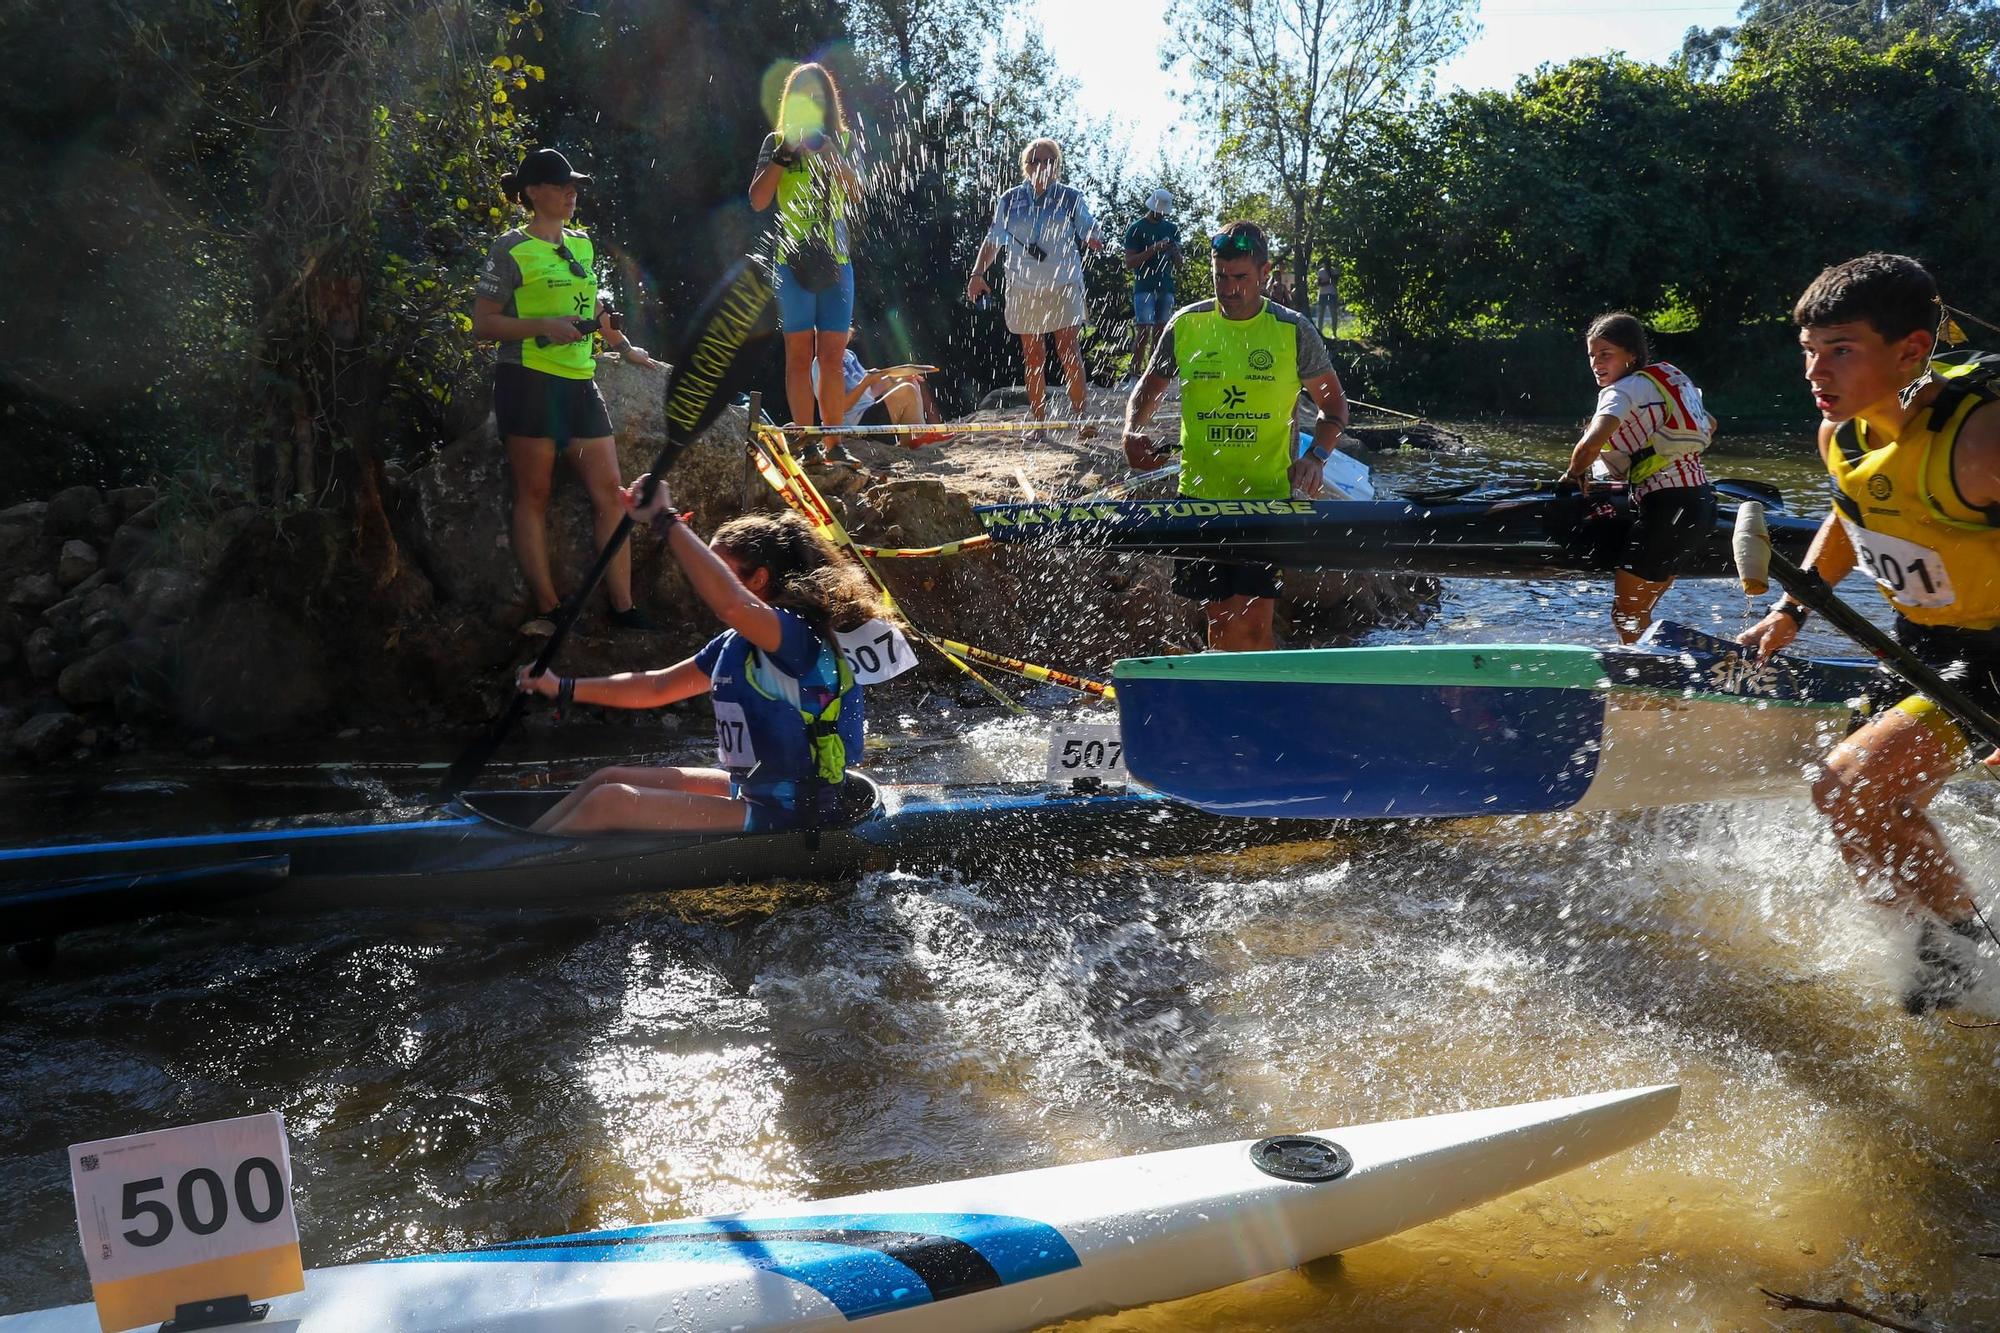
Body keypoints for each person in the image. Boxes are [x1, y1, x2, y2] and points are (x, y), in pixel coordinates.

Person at [1737, 253, 2000, 1014]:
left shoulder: (1983, 441)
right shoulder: (1839, 434)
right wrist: (1795, 607)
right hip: (1922, 641)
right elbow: (1855, 512)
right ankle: (1938, 956)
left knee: (1854, 782)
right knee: (1843, 797)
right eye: (1810, 352)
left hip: (1994, 650)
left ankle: (1965, 954)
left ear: (1912, 351)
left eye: (1841, 350)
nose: (1817, 370)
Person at [518, 485, 896, 835]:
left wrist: (666, 519)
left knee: (610, 801)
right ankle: (523, 843)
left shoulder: (798, 637)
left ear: (759, 579)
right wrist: (561, 687)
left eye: (719, 571)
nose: (703, 584)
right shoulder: (737, 642)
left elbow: (731, 603)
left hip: (797, 811)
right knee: (605, 778)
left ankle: (517, 872)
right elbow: (657, 686)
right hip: (755, 792)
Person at [1121, 221, 1351, 651]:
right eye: (1220, 277)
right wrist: (1133, 430)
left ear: (1264, 273)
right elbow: (1147, 390)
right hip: (1200, 496)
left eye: (1240, 278)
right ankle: (1225, 709)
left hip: (1265, 498)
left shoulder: (1292, 329)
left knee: (1254, 622)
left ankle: (1260, 708)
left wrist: (1316, 456)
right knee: (1220, 620)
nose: (1229, 288)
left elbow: (1335, 406)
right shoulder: (1186, 324)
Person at [472, 147, 661, 636]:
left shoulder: (581, 245)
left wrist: (622, 344)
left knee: (611, 496)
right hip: (529, 383)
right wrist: (542, 325)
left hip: (580, 383)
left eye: (574, 184)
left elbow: (592, 306)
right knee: (533, 495)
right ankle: (551, 608)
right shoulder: (510, 248)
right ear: (534, 192)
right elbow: (482, 322)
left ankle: (622, 607)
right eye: (562, 185)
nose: (572, 192)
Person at [1559, 312, 1718, 643]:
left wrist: (1572, 477)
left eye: (1606, 354)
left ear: (1631, 355)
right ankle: (1662, 678)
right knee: (1638, 615)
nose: (1596, 363)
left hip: (1667, 508)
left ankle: (1647, 683)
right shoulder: (1666, 382)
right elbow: (1710, 423)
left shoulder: (1623, 391)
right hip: (1701, 502)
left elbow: (1588, 447)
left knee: (1626, 615)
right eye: (1591, 355)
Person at [749, 62, 863, 454]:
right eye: (803, 94)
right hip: (791, 263)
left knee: (832, 356)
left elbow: (859, 194)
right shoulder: (775, 141)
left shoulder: (844, 141)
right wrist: (783, 156)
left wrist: (831, 154)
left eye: (818, 94)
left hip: (836, 264)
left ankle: (835, 443)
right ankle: (804, 439)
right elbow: (758, 200)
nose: (811, 101)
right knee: (799, 354)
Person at [964, 139, 1106, 436]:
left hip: (1063, 282)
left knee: (1069, 348)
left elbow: (1088, 226)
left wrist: (1095, 236)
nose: (1042, 167)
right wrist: (978, 273)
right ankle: (1039, 422)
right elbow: (994, 239)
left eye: (1048, 161)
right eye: (1036, 161)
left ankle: (1082, 419)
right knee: (1033, 354)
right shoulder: (1010, 199)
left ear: (1057, 166)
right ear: (1026, 166)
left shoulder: (1070, 197)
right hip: (1023, 286)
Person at [809, 341, 948, 441]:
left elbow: (870, 393)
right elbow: (840, 407)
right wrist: (866, 382)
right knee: (907, 391)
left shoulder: (849, 355)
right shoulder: (822, 363)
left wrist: (898, 377)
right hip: (852, 427)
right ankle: (918, 438)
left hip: (867, 414)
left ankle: (914, 439)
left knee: (909, 382)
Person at [1123, 188, 1181, 384]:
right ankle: (1134, 373)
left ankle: (1154, 373)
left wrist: (1174, 252)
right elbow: (1129, 262)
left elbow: (1180, 264)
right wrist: (1153, 249)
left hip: (1166, 286)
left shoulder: (1172, 229)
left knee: (1161, 332)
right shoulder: (1136, 228)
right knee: (1143, 331)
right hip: (1144, 286)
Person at [1314, 257, 1339, 336]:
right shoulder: (1320, 271)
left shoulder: (1335, 270)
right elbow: (1319, 283)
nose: (1326, 265)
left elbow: (1335, 282)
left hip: (1332, 294)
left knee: (1333, 314)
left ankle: (1334, 333)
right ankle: (1320, 332)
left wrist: (1329, 274)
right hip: (1323, 294)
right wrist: (1329, 282)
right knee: (1321, 314)